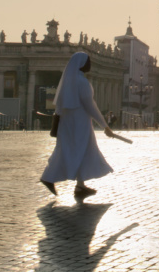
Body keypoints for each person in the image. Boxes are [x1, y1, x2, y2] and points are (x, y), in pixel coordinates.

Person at [40, 52, 116, 198]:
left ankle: (80, 186)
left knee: (74, 150)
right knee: (77, 150)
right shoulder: (82, 82)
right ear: (81, 64)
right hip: (80, 123)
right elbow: (90, 105)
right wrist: (104, 125)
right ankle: (48, 177)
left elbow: (60, 106)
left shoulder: (68, 81)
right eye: (88, 62)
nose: (90, 65)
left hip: (67, 122)